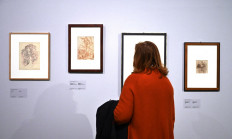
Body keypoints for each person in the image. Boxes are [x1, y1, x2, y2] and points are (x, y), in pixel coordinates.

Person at [114, 41, 175, 139]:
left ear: (137, 58)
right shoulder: (166, 81)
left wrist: (108, 112)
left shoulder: (133, 80)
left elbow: (122, 116)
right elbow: (171, 118)